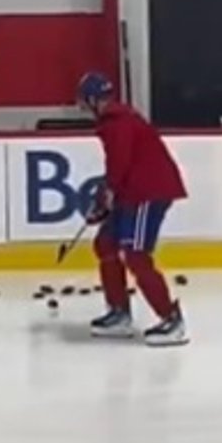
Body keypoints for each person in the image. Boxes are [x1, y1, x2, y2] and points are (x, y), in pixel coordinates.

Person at [75, 72, 189, 347]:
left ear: (92, 100)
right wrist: (106, 199)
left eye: (83, 101)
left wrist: (107, 196)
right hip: (133, 191)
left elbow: (120, 162)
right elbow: (119, 165)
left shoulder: (118, 122)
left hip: (147, 193)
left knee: (135, 253)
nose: (82, 107)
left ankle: (171, 319)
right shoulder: (113, 121)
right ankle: (119, 312)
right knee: (106, 243)